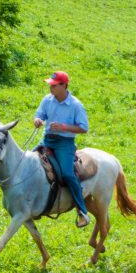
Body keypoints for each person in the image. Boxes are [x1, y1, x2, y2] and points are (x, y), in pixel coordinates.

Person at [33, 71, 91, 228]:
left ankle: (82, 211)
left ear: (64, 85)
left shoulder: (76, 105)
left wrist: (64, 127)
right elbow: (40, 114)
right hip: (47, 140)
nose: (50, 87)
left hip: (64, 143)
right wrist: (38, 120)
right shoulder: (47, 100)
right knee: (29, 162)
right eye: (50, 84)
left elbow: (84, 128)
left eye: (54, 85)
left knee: (67, 173)